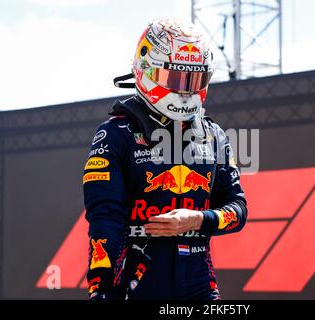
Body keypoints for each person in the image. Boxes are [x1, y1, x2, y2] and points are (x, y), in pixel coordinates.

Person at [83, 17, 247, 300]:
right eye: (175, 79)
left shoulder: (215, 135)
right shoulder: (116, 133)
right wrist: (99, 288)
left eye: (194, 80)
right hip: (136, 281)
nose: (185, 90)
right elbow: (104, 218)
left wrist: (196, 219)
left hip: (199, 283)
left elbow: (238, 211)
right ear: (147, 71)